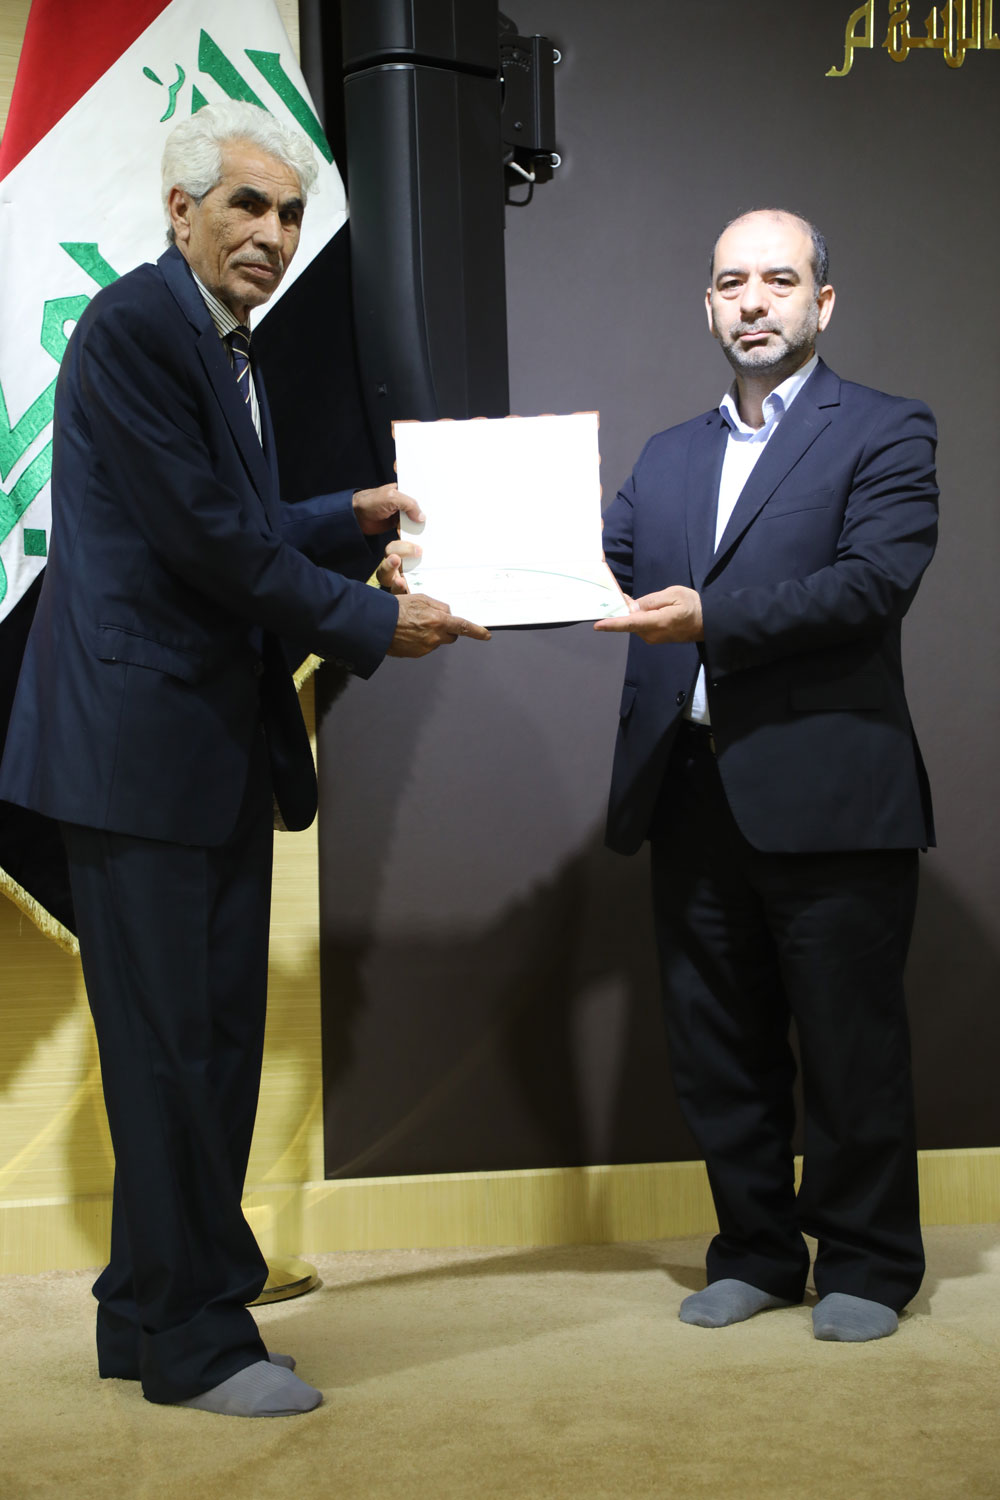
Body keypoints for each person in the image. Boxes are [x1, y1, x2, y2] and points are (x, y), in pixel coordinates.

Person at [0, 100, 488, 1417]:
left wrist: (350, 514)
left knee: (197, 1045)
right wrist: (375, 622)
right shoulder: (141, 327)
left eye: (289, 213)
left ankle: (140, 1311)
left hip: (193, 753)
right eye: (247, 205)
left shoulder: (220, 343)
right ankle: (199, 1344)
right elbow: (208, 542)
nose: (273, 232)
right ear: (181, 212)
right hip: (138, 758)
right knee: (177, 1053)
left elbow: (238, 518)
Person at [594, 209, 937, 1342]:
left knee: (849, 1049)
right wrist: (447, 560)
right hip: (688, 792)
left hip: (832, 797)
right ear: (707, 305)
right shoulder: (667, 456)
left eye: (779, 281)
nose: (753, 301)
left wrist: (710, 617)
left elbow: (871, 584)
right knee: (718, 1049)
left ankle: (867, 1265)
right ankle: (754, 1252)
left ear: (821, 303)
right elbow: (584, 565)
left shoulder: (886, 429)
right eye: (731, 281)